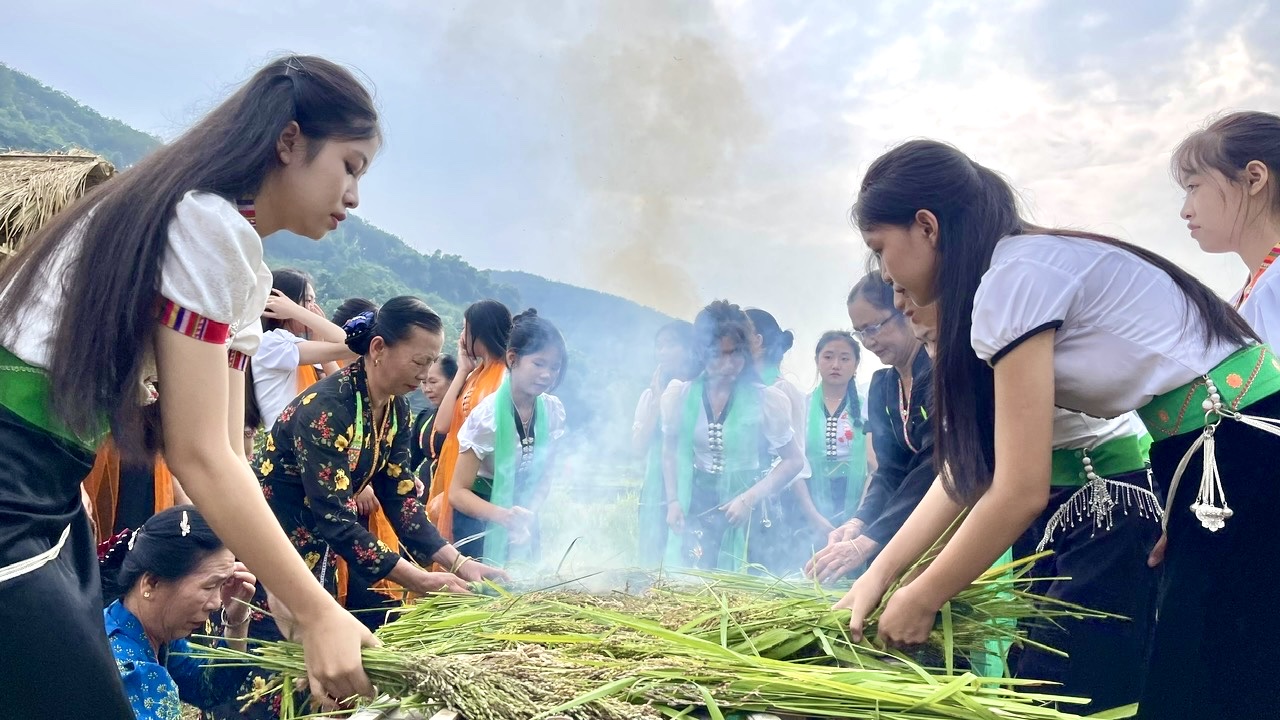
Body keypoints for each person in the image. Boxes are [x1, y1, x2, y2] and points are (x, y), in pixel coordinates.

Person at [837, 139, 1278, 719]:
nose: (887, 274)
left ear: (926, 226)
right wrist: (882, 575)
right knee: (1208, 673)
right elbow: (967, 470)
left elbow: (1017, 489)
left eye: (881, 248)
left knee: (1215, 683)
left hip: (1238, 447)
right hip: (1203, 454)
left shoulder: (1011, 280)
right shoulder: (1017, 271)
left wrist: (923, 595)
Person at [0, 54, 382, 716]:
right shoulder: (203, 226)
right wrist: (320, 612)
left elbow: (229, 450)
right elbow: (197, 452)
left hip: (48, 489)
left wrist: (288, 595)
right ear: (290, 141)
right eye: (349, 166)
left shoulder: (233, 254)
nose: (354, 195)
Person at [234, 298, 508, 717]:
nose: (425, 371)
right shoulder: (327, 409)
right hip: (272, 545)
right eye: (419, 360)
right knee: (278, 667)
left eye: (433, 360)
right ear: (378, 348)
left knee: (319, 668)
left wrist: (458, 564)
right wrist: (415, 578)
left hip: (316, 543)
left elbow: (400, 497)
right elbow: (336, 520)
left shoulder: (395, 408)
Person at [901, 285, 1162, 708]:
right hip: (1046, 514)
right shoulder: (959, 343)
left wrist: (917, 589)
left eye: (899, 285)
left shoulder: (1001, 325)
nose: (900, 302)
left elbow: (972, 475)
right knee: (1028, 672)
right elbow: (964, 468)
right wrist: (894, 576)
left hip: (1104, 506)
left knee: (1066, 678)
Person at [806, 273, 933, 583]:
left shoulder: (938, 375)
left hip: (942, 522)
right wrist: (859, 522)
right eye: (861, 331)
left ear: (905, 310)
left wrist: (868, 539)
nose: (869, 340)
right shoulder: (883, 386)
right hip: (899, 522)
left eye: (875, 327)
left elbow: (933, 465)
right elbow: (889, 471)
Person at [662, 301, 804, 572]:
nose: (728, 365)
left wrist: (748, 498)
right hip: (699, 502)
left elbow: (793, 461)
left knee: (745, 591)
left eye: (735, 354)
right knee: (697, 585)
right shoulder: (679, 396)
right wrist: (672, 501)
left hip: (749, 508)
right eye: (718, 355)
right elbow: (669, 450)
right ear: (701, 354)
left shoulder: (767, 399)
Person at [99, 505, 255, 720]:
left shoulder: (141, 627)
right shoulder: (131, 672)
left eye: (223, 584)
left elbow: (207, 690)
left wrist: (236, 620)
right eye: (210, 586)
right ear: (151, 583)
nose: (217, 603)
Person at [450, 310, 569, 568]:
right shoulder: (486, 417)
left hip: (522, 514)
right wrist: (504, 516)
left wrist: (527, 514)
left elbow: (545, 476)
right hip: (479, 517)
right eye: (539, 364)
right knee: (484, 595)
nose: (547, 375)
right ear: (513, 359)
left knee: (523, 589)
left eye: (554, 367)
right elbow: (458, 493)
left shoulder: (552, 411)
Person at [1177, 111, 1280, 344]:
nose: (1185, 211)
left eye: (1193, 186)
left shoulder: (1275, 282)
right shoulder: (1243, 299)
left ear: (1253, 178)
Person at [430, 299, 513, 540]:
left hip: (482, 487)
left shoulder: (504, 376)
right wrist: (463, 369)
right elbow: (443, 425)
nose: (461, 335)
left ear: (480, 330)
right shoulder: (476, 373)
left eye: (465, 328)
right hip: (462, 482)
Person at [248, 268, 352, 431]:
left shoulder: (291, 347)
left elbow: (341, 390)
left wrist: (317, 336)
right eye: (307, 301)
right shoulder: (273, 344)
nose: (313, 308)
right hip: (285, 443)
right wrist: (296, 311)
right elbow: (350, 344)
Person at [794, 331, 869, 546]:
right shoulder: (803, 406)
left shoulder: (866, 408)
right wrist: (814, 517)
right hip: (809, 500)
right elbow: (794, 466)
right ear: (817, 361)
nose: (836, 364)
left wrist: (859, 518)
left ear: (855, 365)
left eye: (845, 358)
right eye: (828, 357)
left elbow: (874, 467)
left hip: (856, 499)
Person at [632, 320, 696, 567]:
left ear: (690, 349)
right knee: (653, 562)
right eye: (659, 346)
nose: (663, 352)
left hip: (694, 486)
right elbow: (638, 447)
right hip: (655, 490)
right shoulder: (649, 396)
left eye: (671, 345)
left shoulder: (699, 393)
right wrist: (659, 400)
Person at [413, 353, 459, 477]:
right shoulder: (425, 417)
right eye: (423, 382)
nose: (427, 388)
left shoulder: (465, 415)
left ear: (454, 380)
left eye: (433, 382)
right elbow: (409, 461)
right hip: (425, 492)